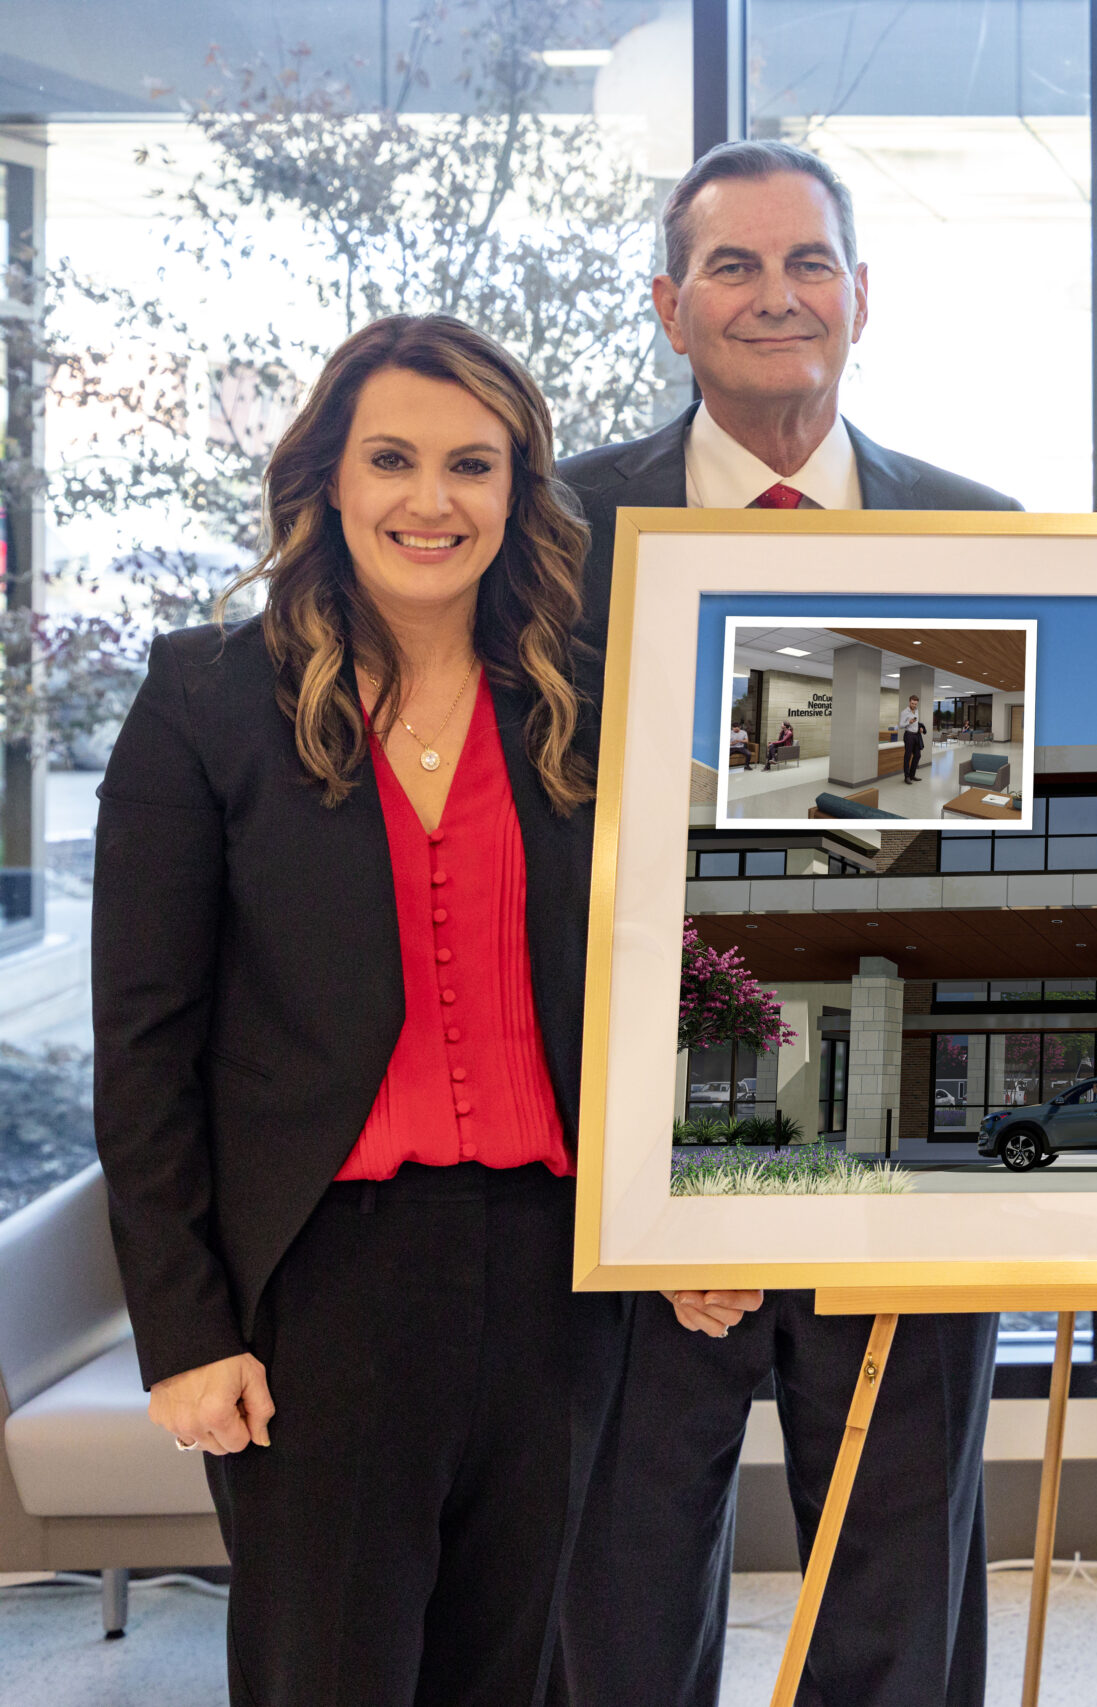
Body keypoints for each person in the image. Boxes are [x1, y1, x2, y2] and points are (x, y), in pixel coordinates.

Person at [91, 314, 623, 1703]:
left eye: (472, 463)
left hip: (555, 1272)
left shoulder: (591, 701)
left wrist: (699, 1212)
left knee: (515, 1668)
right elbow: (142, 1042)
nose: (431, 500)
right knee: (327, 1672)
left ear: (520, 487)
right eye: (392, 459)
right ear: (330, 477)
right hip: (321, 1281)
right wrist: (186, 1327)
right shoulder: (205, 699)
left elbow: (678, 983)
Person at [553, 139, 1016, 1707]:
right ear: (670, 305)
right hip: (623, 1179)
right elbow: (536, 872)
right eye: (734, 267)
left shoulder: (976, 533)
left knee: (894, 1602)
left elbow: (950, 879)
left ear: (862, 297)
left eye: (808, 262)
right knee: (611, 1596)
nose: (775, 295)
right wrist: (649, 1166)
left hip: (905, 1166)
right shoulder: (553, 537)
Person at [899, 693, 926, 782]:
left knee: (917, 755)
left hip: (916, 735)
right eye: (912, 703)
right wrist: (908, 722)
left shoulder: (917, 711)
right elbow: (901, 725)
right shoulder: (904, 712)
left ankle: (912, 775)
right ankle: (906, 777)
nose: (914, 705)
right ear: (909, 702)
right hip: (909, 735)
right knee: (907, 756)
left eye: (915, 704)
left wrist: (920, 728)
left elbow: (916, 723)